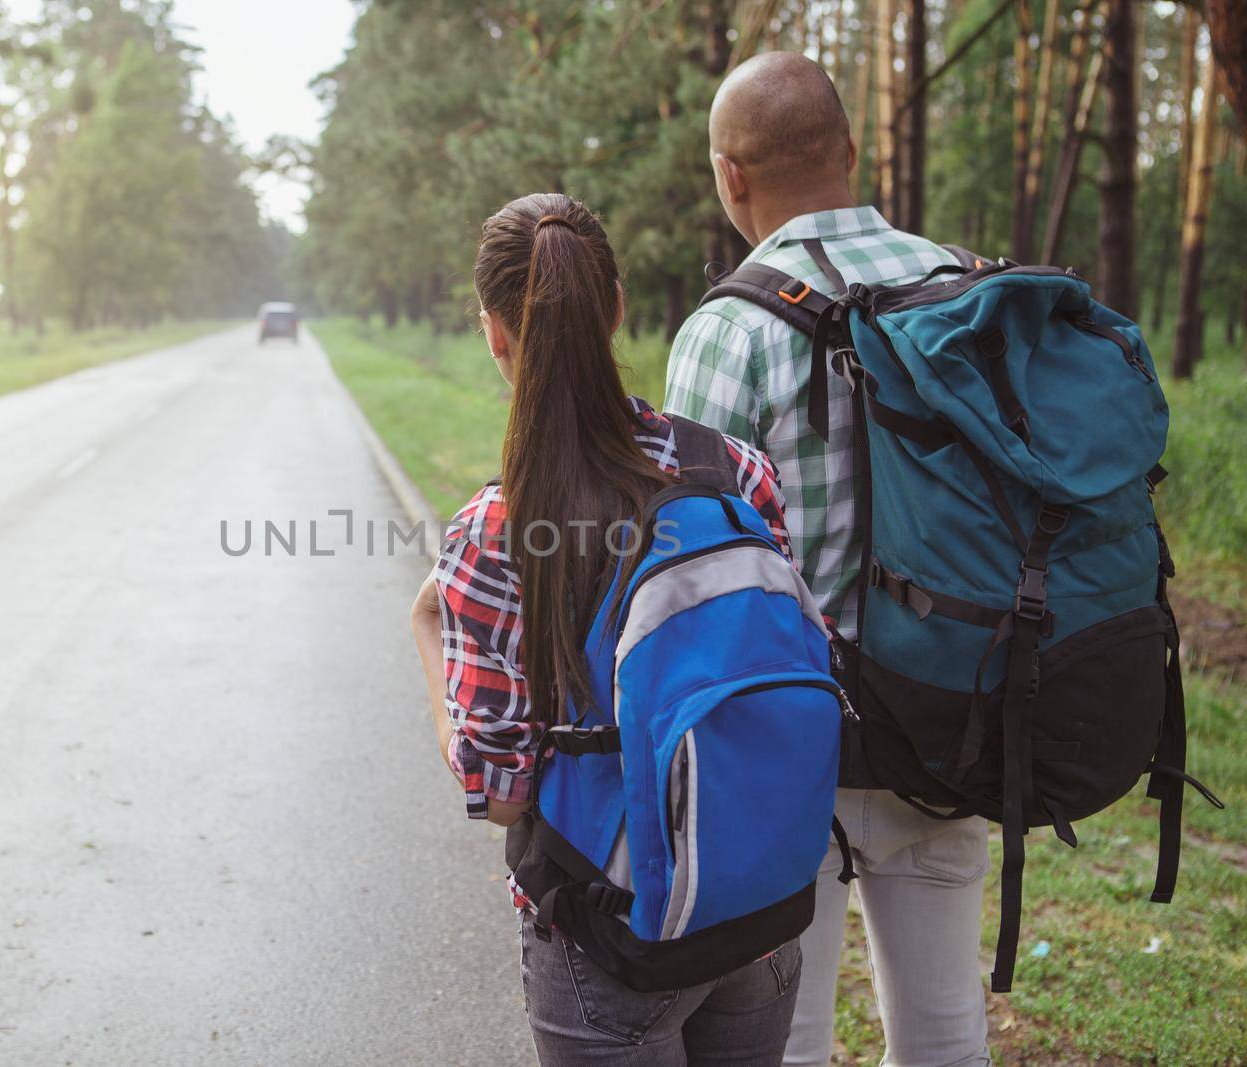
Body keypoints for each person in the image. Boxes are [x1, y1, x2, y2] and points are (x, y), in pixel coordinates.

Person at [409, 192, 804, 1065]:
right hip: (751, 898)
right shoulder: (733, 470)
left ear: (493, 333)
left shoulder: (497, 528)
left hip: (606, 934)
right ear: (617, 307)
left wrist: (426, 641)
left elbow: (501, 791)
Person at [663, 53, 991, 1067]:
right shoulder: (968, 290)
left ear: (730, 176)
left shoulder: (726, 330)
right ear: (852, 151)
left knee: (780, 1042)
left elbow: (679, 572)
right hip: (950, 720)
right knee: (943, 1037)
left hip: (780, 746)